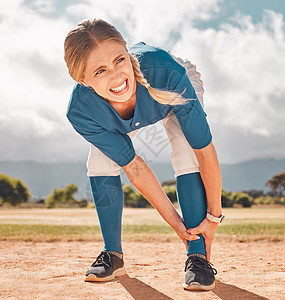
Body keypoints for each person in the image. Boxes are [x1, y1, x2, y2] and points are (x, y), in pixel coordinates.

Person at [64, 19, 224, 291]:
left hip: (166, 86)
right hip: (119, 105)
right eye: (100, 70)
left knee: (186, 152)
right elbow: (134, 167)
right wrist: (175, 222)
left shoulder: (165, 71)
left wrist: (213, 218)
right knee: (100, 161)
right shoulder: (82, 110)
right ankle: (113, 254)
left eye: (119, 60)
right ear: (82, 79)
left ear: (127, 51)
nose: (116, 76)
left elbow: (204, 151)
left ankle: (197, 256)